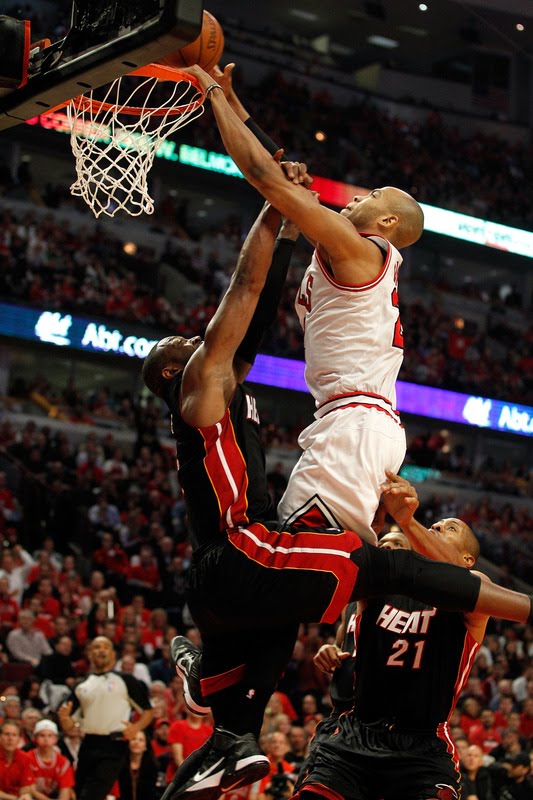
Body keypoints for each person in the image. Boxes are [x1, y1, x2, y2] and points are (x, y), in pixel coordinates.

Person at [142, 164, 533, 800]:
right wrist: (267, 194)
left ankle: (219, 707)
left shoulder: (221, 380)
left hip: (242, 552)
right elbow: (243, 296)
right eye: (184, 343)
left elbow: (260, 310)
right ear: (175, 373)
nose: (198, 337)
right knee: (378, 567)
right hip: (242, 550)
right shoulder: (202, 383)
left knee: (291, 618)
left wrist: (281, 226)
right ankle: (216, 693)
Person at [203, 63, 422, 545]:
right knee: (296, 561)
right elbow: (280, 165)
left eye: (373, 195)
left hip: (356, 423)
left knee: (292, 560)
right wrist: (236, 104)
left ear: (386, 220)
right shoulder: (348, 252)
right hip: (354, 422)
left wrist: (210, 90)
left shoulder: (360, 251)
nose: (360, 195)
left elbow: (267, 178)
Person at [296, 475, 494, 800]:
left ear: (468, 559)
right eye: (436, 524)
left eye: (450, 528)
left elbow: (458, 578)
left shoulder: (474, 588)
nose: (436, 527)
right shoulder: (386, 583)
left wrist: (407, 519)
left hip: (422, 743)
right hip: (357, 731)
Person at [57, 636, 153, 800]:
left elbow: (147, 711)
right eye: (96, 647)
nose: (101, 650)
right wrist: (63, 718)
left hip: (115, 744)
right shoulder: (82, 684)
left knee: (93, 794)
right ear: (89, 654)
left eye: (105, 647)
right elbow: (68, 724)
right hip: (88, 743)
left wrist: (135, 728)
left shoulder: (126, 680)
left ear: (113, 654)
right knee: (80, 792)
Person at [26, 719, 75, 800]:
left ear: (56, 739)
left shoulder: (63, 762)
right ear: (35, 738)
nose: (46, 739)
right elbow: (30, 789)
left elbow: (65, 791)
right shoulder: (27, 758)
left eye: (50, 735)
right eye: (42, 735)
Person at [117, 730, 159, 800]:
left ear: (145, 746)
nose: (136, 742)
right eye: (133, 739)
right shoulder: (119, 765)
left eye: (141, 740)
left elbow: (151, 793)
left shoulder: (152, 767)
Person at [0, 720, 34, 800]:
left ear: (19, 739)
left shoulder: (25, 758)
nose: (10, 738)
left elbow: (26, 787)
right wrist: (14, 798)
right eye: (6, 734)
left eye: (14, 735)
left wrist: (23, 796)